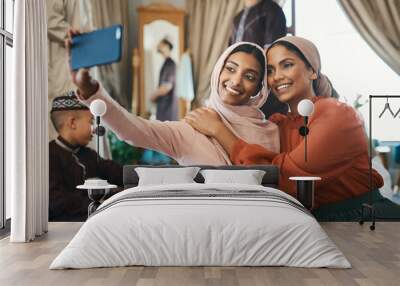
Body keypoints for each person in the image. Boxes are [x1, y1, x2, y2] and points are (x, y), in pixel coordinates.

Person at [184, 36, 400, 220]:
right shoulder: (278, 124)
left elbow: (290, 174)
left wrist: (219, 130)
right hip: (315, 221)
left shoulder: (337, 114)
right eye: (270, 70)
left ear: (312, 71)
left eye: (287, 65)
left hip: (366, 219)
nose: (277, 76)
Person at [66, 31, 279, 165]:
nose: (236, 80)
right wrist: (90, 89)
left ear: (258, 89)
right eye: (230, 69)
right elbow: (133, 129)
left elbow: (271, 179)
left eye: (249, 76)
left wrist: (218, 130)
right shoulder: (194, 126)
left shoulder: (269, 132)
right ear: (217, 73)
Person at [49, 91, 123, 222]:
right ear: (72, 123)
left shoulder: (88, 154)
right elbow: (57, 202)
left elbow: (115, 171)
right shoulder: (49, 156)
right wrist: (103, 199)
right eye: (91, 121)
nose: (94, 129)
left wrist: (141, 174)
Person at [229, 0, 288, 120]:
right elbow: (230, 51)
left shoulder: (272, 10)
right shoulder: (237, 17)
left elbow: (273, 50)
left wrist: (254, 78)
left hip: (264, 86)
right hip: (240, 83)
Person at [150, 38, 179, 122]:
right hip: (164, 108)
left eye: (161, 45)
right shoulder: (166, 63)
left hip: (167, 110)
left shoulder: (170, 64)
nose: (159, 47)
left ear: (167, 46)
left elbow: (167, 86)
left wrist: (153, 96)